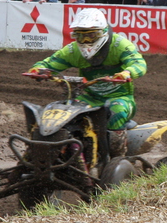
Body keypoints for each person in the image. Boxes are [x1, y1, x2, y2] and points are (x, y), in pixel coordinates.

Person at [27, 8, 147, 155]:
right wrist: (37, 70)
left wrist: (127, 73)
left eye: (91, 35)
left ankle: (117, 158)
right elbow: (48, 63)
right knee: (64, 111)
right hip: (90, 98)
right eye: (80, 36)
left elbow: (139, 63)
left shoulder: (119, 45)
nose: (85, 41)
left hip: (121, 98)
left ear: (103, 32)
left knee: (116, 111)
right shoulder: (73, 50)